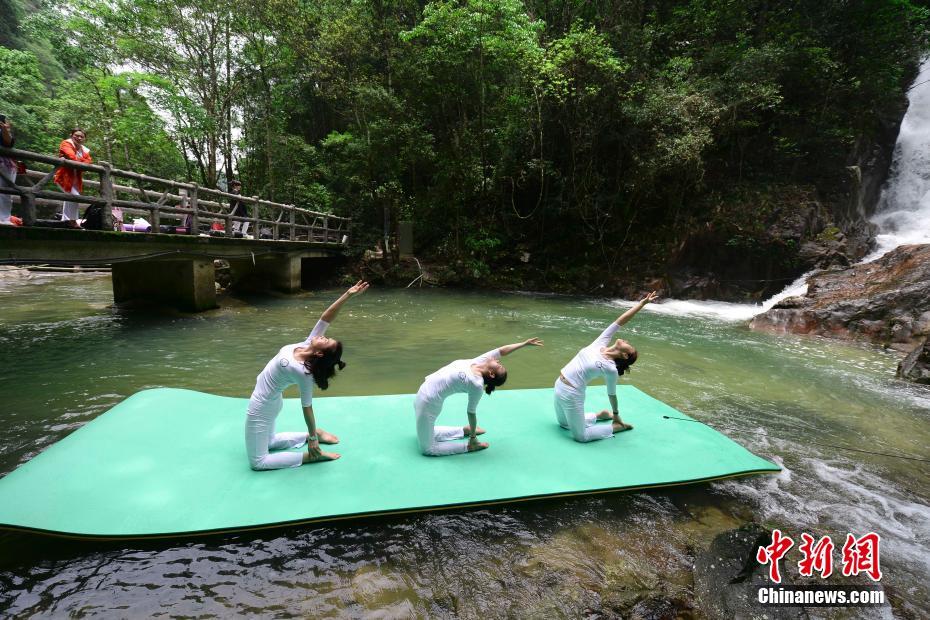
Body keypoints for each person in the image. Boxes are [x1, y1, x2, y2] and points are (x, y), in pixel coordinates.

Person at [245, 281, 369, 470]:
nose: (322, 336)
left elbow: (307, 407)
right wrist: (348, 295)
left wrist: (312, 439)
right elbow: (326, 317)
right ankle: (313, 434)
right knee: (269, 442)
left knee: (258, 462)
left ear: (319, 353)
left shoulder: (303, 372)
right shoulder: (306, 344)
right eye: (326, 336)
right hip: (272, 401)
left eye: (325, 340)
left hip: (261, 406)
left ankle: (310, 456)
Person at [554, 291, 659, 443]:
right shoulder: (600, 343)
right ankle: (598, 416)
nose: (626, 341)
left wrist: (616, 415)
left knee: (581, 437)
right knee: (564, 425)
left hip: (573, 393)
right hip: (559, 384)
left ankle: (616, 427)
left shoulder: (611, 369)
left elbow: (612, 394)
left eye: (629, 345)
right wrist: (642, 304)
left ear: (625, 356)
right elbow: (620, 321)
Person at [415, 337, 544, 456]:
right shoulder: (479, 362)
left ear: (491, 373)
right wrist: (524, 344)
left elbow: (471, 412)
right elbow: (502, 351)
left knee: (428, 449)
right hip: (423, 391)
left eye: (499, 366)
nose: (498, 361)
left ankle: (469, 446)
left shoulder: (476, 384)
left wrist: (473, 438)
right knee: (428, 432)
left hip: (428, 402)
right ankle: (463, 430)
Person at [53, 128, 93, 228]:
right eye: (77, 135)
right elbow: (72, 157)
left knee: (70, 198)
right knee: (74, 197)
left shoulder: (84, 150)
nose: (79, 138)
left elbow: (89, 162)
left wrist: (81, 161)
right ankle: (72, 222)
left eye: (82, 136)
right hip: (63, 177)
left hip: (76, 179)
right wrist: (82, 161)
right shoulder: (66, 143)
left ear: (84, 138)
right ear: (71, 135)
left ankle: (67, 221)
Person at [0, 117, 16, 225]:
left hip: (5, 164)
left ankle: (4, 218)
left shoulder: (5, 131)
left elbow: (9, 143)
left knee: (6, 192)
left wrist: (4, 130)